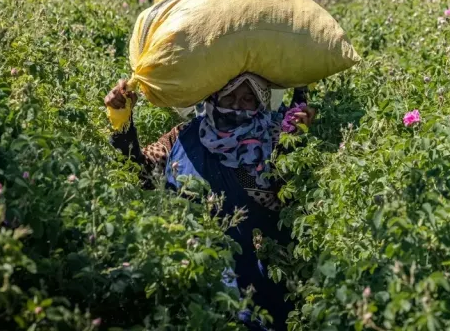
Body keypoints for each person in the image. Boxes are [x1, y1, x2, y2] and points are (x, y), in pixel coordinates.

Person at [105, 73, 315, 331]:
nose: (237, 106)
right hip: (192, 277)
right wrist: (122, 123)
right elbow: (144, 174)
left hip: (260, 286)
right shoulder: (183, 136)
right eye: (229, 96)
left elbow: (287, 196)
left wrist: (294, 135)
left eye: (248, 98)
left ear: (261, 103)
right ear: (214, 97)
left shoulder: (273, 139)